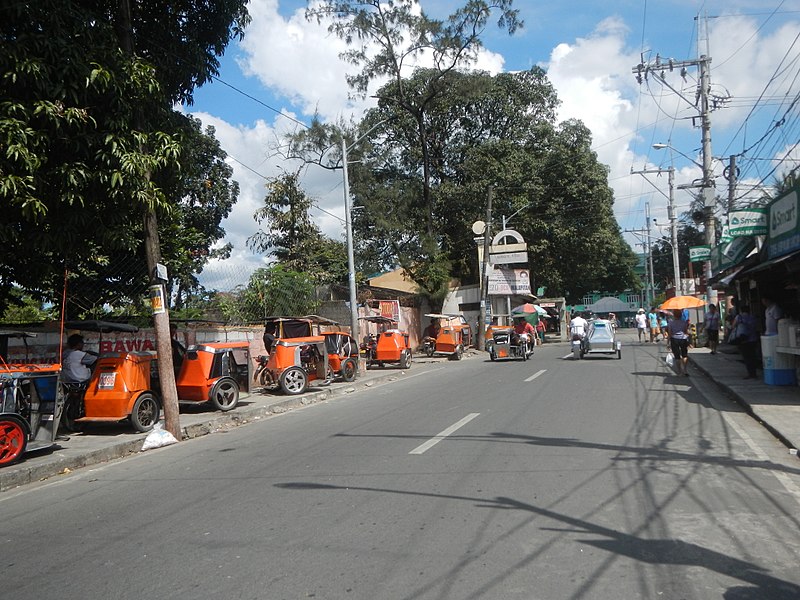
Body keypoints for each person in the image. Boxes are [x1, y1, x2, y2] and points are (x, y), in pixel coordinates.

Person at [732, 305, 759, 379]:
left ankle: (750, 373)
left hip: (743, 339)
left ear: (741, 310)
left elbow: (733, 326)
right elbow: (756, 326)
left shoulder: (739, 317)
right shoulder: (753, 317)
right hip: (753, 339)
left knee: (746, 357)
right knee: (753, 356)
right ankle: (754, 372)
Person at [666, 309, 691, 376]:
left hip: (674, 339)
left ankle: (679, 372)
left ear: (674, 315)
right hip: (683, 339)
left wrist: (668, 343)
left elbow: (670, 333)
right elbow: (685, 332)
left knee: (677, 356)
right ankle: (685, 370)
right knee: (684, 355)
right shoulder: (684, 322)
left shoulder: (671, 323)